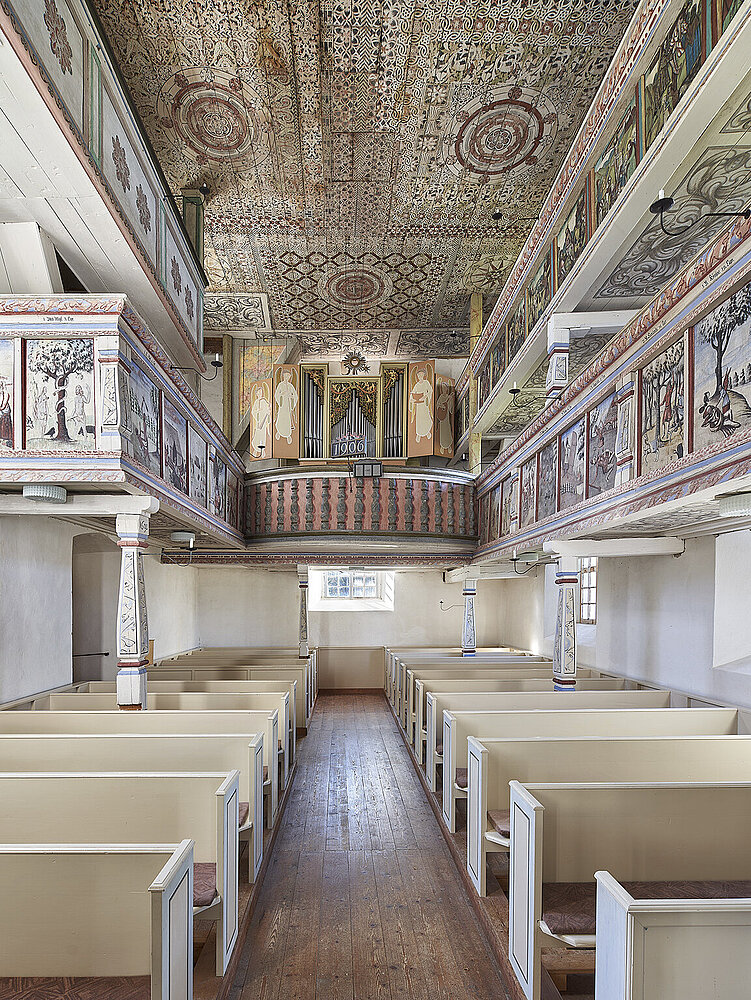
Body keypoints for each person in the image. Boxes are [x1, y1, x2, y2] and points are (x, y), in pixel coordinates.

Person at [409, 369, 433, 443]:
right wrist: (412, 399)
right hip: (419, 405)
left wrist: (425, 396)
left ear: (423, 375)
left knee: (425, 418)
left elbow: (430, 390)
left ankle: (427, 431)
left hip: (424, 404)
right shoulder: (417, 385)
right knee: (419, 419)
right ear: (417, 376)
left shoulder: (426, 382)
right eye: (419, 375)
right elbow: (412, 393)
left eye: (421, 374)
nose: (420, 376)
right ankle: (419, 434)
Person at [274, 369, 298, 444]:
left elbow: (295, 396)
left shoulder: (290, 386)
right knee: (281, 418)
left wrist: (291, 397)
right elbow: (276, 395)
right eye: (286, 375)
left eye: (288, 376)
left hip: (288, 405)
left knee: (288, 420)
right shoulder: (280, 385)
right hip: (282, 405)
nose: (287, 377)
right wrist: (282, 394)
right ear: (283, 376)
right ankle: (278, 431)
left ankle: (288, 434)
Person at [250, 384, 271, 457]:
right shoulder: (256, 402)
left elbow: (268, 410)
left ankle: (263, 450)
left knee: (263, 435)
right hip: (258, 421)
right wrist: (258, 411)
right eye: (259, 392)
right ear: (256, 394)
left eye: (261, 392)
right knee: (257, 435)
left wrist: (268, 410)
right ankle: (255, 449)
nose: (260, 393)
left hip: (263, 421)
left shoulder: (264, 401)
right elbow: (253, 411)